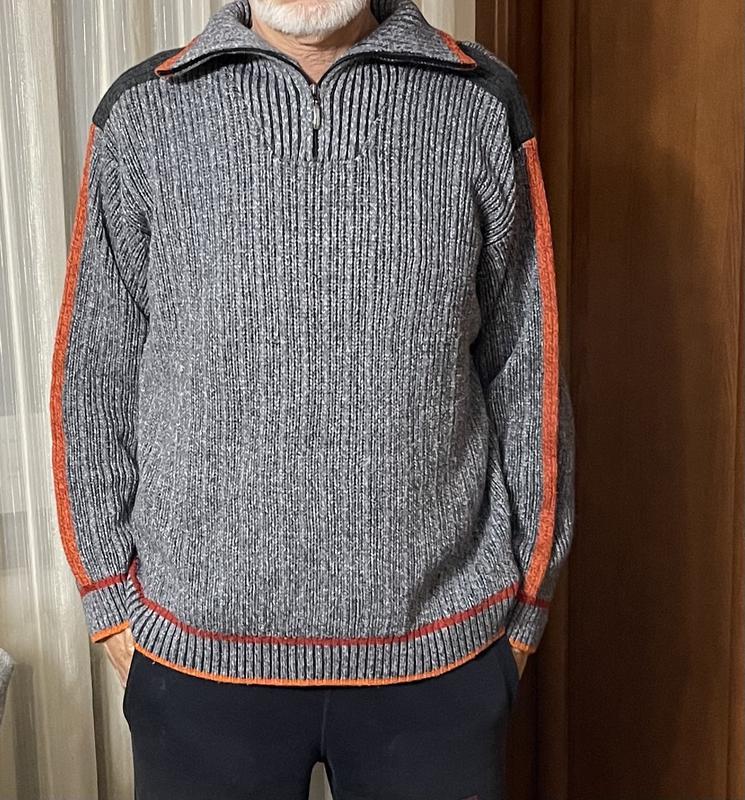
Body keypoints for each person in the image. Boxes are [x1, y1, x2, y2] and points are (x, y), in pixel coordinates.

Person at [49, 0, 575, 796]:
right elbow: (93, 373)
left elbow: (527, 368)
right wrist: (107, 600)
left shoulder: (478, 102)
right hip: (197, 662)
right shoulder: (145, 110)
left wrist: (526, 609)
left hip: (441, 662)